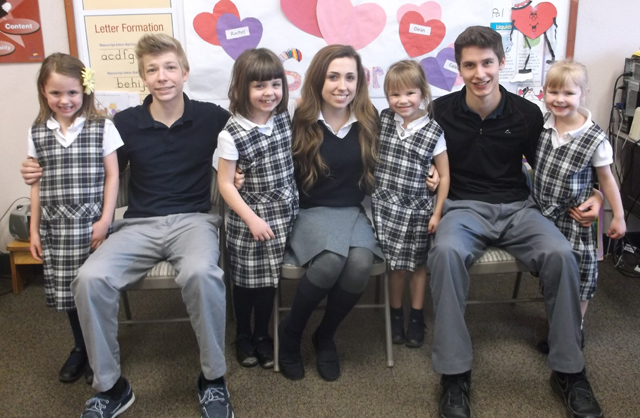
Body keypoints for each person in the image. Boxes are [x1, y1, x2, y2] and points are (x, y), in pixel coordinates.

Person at [21, 34, 233, 418]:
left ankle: (213, 379)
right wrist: (38, 169)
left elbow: (248, 139)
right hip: (137, 224)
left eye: (170, 67)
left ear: (185, 72)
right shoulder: (125, 122)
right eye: (152, 70)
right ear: (143, 77)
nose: (162, 76)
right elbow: (91, 166)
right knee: (89, 279)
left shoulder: (212, 117)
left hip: (193, 222)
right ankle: (112, 387)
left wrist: (243, 175)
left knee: (203, 274)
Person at [428, 26, 604, 418]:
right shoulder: (440, 111)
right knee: (445, 254)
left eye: (487, 63)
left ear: (501, 63)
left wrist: (597, 193)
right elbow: (424, 156)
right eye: (469, 65)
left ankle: (569, 370)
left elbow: (560, 161)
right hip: (463, 208)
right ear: (459, 69)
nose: (479, 73)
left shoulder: (527, 113)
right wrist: (430, 174)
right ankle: (454, 375)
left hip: (518, 207)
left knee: (561, 255)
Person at [277, 44, 383, 382]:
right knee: (330, 261)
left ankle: (325, 335)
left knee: (360, 264)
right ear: (318, 80)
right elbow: (261, 151)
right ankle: (291, 333)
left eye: (350, 77)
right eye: (333, 77)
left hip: (351, 211)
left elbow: (404, 153)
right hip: (308, 212)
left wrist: (434, 171)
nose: (342, 86)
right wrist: (236, 173)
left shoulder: (369, 119)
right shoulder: (296, 117)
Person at [27, 53, 121, 385]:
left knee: (94, 290)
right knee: (70, 293)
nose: (64, 100)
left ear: (84, 91)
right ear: (43, 91)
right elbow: (36, 184)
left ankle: (101, 351)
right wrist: (33, 229)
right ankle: (81, 347)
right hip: (56, 227)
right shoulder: (38, 132)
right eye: (56, 93)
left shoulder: (102, 127)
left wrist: (105, 220)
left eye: (72, 93)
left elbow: (113, 176)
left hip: (91, 224)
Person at [217, 48, 298, 370]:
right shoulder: (231, 133)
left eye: (275, 84)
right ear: (242, 87)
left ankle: (263, 333)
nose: (269, 93)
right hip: (249, 218)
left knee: (268, 280)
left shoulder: (284, 116)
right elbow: (226, 184)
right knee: (246, 280)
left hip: (283, 214)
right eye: (259, 85)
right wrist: (251, 219)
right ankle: (243, 334)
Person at [534, 59, 625, 337]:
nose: (559, 99)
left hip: (575, 218)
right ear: (544, 92)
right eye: (553, 92)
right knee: (553, 275)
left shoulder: (594, 138)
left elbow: (606, 178)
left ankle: (574, 329)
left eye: (569, 93)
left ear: (583, 93)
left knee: (580, 275)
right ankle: (555, 326)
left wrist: (618, 215)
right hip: (543, 216)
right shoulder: (543, 125)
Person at [372, 60, 449, 348]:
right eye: (394, 94)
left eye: (410, 93)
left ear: (423, 93)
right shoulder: (383, 120)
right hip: (387, 207)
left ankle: (416, 315)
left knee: (417, 264)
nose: (402, 100)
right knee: (395, 265)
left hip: (418, 209)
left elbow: (445, 175)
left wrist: (437, 212)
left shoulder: (433, 131)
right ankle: (395, 313)